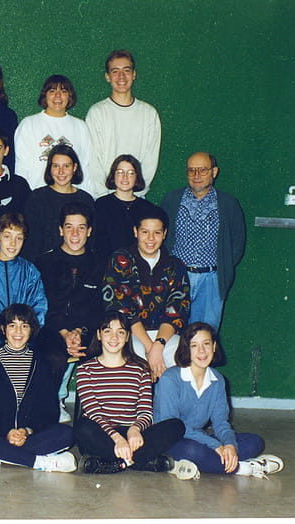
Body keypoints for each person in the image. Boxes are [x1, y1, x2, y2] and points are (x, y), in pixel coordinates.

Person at [73, 312, 196, 479]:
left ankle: (112, 463)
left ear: (127, 337)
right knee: (82, 427)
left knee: (176, 425)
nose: (114, 337)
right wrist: (117, 438)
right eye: (108, 331)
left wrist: (135, 429)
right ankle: (143, 461)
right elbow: (93, 413)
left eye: (120, 332)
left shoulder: (141, 369)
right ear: (99, 335)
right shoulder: (85, 370)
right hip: (102, 434)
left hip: (133, 436)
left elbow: (145, 412)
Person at [154, 322, 283, 478]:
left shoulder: (217, 380)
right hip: (170, 440)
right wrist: (215, 445)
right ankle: (245, 468)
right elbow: (171, 426)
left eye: (206, 344)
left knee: (255, 442)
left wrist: (229, 445)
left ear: (214, 346)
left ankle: (198, 463)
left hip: (199, 438)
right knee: (192, 451)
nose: (202, 351)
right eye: (194, 345)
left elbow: (221, 423)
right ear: (186, 349)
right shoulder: (170, 379)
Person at [0, 304, 76, 472]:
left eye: (24, 326)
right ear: (3, 329)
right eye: (12, 325)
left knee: (67, 434)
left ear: (32, 330)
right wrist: (6, 432)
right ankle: (39, 462)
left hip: (29, 436)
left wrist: (26, 431)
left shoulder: (41, 362)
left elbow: (49, 410)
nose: (18, 332)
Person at [160, 152, 246, 332]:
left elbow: (237, 243)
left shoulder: (228, 203)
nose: (196, 175)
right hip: (177, 278)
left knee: (205, 336)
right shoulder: (172, 200)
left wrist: (221, 268)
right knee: (172, 334)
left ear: (214, 172)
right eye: (191, 170)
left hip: (211, 281)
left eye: (203, 170)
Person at [35, 203, 104, 423]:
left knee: (105, 350)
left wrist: (79, 331)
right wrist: (65, 332)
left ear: (89, 231)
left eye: (81, 228)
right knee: (53, 356)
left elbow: (98, 307)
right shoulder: (44, 263)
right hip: (52, 328)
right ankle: (51, 404)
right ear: (60, 230)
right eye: (69, 227)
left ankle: (95, 415)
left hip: (86, 329)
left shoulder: (99, 264)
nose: (75, 234)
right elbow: (42, 305)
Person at [102, 207, 190, 381]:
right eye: (145, 232)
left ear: (164, 234)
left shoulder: (175, 266)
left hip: (164, 335)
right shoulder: (120, 260)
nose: (150, 239)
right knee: (136, 362)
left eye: (157, 233)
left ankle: (169, 399)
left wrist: (158, 346)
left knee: (185, 358)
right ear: (135, 232)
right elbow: (120, 307)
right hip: (130, 333)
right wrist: (150, 348)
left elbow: (177, 310)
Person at [85, 50, 161, 197]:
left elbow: (150, 160)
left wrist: (136, 194)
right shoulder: (97, 112)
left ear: (134, 74)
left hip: (136, 197)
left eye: (126, 70)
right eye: (115, 71)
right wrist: (104, 195)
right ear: (107, 77)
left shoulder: (149, 113)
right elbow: (93, 161)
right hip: (104, 198)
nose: (121, 76)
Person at [0, 212, 48, 351]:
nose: (13, 243)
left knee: (33, 354)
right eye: (7, 236)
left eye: (19, 238)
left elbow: (38, 306)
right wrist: (5, 333)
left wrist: (23, 330)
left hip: (23, 333)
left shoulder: (29, 270)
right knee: (0, 353)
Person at [15, 74, 91, 193]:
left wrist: (86, 196)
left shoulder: (80, 126)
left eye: (63, 91)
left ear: (69, 96)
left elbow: (85, 165)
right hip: (36, 195)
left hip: (71, 198)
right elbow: (21, 167)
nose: (58, 96)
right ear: (45, 95)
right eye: (52, 91)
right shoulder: (29, 124)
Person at [21, 143, 94, 261]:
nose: (61, 172)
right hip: (43, 265)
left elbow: (91, 241)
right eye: (56, 166)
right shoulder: (37, 197)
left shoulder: (86, 199)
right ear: (50, 168)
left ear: (75, 167)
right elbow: (30, 242)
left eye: (66, 166)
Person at [93, 154, 160, 262]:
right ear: (113, 175)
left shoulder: (147, 208)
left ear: (137, 177)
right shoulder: (101, 205)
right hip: (107, 266)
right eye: (120, 172)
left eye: (130, 173)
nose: (125, 177)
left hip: (138, 266)